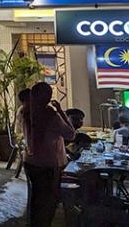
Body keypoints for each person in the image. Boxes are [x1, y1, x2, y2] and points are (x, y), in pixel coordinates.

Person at [22, 82, 75, 227]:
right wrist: (61, 111)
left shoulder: (25, 112)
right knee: (48, 201)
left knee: (37, 198)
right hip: (49, 164)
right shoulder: (52, 116)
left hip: (31, 162)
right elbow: (71, 134)